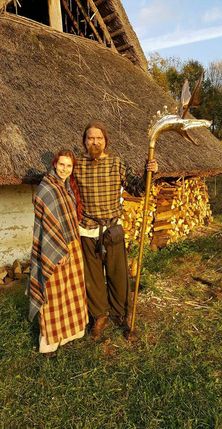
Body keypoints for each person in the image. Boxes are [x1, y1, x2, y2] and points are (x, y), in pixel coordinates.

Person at [74, 120, 157, 340]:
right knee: (92, 279)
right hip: (88, 229)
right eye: (90, 138)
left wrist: (150, 173)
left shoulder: (116, 163)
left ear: (105, 141)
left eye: (99, 138)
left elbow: (138, 189)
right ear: (84, 141)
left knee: (118, 276)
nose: (95, 142)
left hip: (112, 230)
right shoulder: (76, 165)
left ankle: (121, 314)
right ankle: (99, 316)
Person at [28, 150, 88, 356]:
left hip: (72, 245)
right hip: (52, 248)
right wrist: (56, 246)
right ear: (55, 164)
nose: (64, 169)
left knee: (69, 291)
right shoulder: (46, 188)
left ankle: (67, 333)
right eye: (61, 165)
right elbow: (46, 223)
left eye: (69, 166)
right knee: (52, 293)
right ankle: (48, 343)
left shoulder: (68, 188)